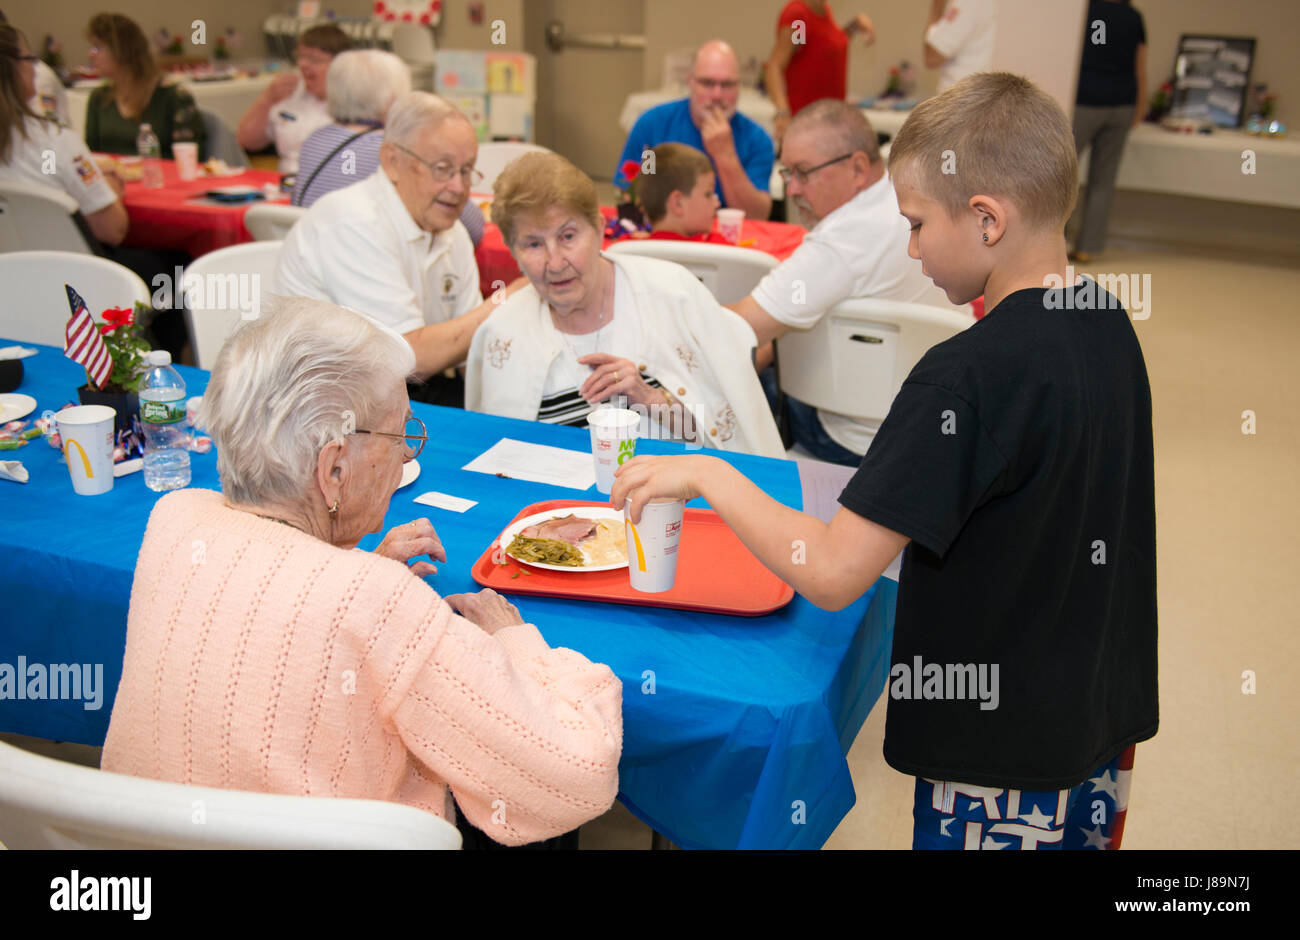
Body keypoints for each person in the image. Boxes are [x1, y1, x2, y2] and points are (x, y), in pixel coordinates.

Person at [612, 73, 1157, 851]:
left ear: (987, 219)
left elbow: (834, 573)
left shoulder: (963, 375)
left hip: (1001, 752)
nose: (909, 249)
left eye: (915, 225)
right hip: (1092, 709)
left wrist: (707, 473)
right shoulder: (1104, 316)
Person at [100, 298, 624, 849]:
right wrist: (516, 641)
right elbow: (578, 777)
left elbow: (277, 607)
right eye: (399, 437)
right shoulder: (379, 602)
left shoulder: (175, 518)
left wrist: (356, 568)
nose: (404, 458)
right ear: (332, 469)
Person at [467, 151, 784, 458]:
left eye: (568, 236)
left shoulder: (673, 295)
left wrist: (649, 397)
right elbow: (499, 461)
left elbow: (726, 439)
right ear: (512, 251)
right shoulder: (502, 333)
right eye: (533, 244)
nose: (554, 262)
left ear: (599, 228)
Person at [728, 100, 960, 466]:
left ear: (856, 167)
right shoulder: (911, 195)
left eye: (803, 173)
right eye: (788, 173)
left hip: (849, 437)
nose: (791, 190)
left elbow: (732, 330)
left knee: (732, 381)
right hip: (925, 418)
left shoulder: (841, 241)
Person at [276, 92, 521, 407]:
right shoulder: (354, 221)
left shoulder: (452, 230)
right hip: (316, 402)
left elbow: (468, 352)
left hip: (391, 393)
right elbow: (405, 359)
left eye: (466, 170)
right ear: (392, 161)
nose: (459, 187)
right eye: (443, 168)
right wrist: (508, 299)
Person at [291, 49, 486, 246]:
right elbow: (472, 228)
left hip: (314, 256)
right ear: (394, 100)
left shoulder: (313, 141)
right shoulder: (392, 154)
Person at [615, 40, 773, 220]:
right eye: (707, 83)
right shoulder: (653, 127)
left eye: (727, 85)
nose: (717, 95)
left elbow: (756, 217)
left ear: (739, 87)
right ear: (690, 81)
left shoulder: (757, 140)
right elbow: (633, 194)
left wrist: (725, 155)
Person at [0, 23, 128, 246]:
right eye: (30, 60)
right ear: (13, 69)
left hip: (9, 272)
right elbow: (113, 230)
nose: (36, 69)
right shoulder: (54, 140)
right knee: (175, 261)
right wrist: (109, 187)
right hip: (73, 273)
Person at [1070, 0, 1146, 263]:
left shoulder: (1085, 11)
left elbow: (1071, 54)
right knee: (1104, 180)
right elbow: (1139, 69)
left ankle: (1052, 239)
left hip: (1085, 101)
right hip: (1122, 104)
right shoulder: (1134, 18)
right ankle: (1086, 248)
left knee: (1062, 174)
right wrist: (1139, 107)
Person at [82, 13, 205, 160]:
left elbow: (191, 159)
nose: (90, 54)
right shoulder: (98, 99)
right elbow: (91, 157)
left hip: (161, 179)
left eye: (98, 47)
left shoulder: (174, 97)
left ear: (122, 50)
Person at [237, 24, 351, 175]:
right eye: (301, 57)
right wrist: (267, 99)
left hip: (329, 184)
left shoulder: (355, 103)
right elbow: (246, 141)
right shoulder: (290, 93)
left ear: (339, 64)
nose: (303, 65)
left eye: (313, 59)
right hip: (285, 182)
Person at [764, 1, 876, 142]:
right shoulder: (799, 17)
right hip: (806, 125)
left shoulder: (823, 11)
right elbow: (775, 66)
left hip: (828, 122)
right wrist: (782, 112)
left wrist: (854, 27)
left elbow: (823, 48)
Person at [634, 142, 726, 243]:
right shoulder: (718, 248)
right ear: (677, 203)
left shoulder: (623, 248)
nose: (717, 203)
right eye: (708, 194)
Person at [923, 0, 996, 92]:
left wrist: (937, 5)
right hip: (972, 94)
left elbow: (932, 57)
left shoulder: (967, 3)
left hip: (962, 98)